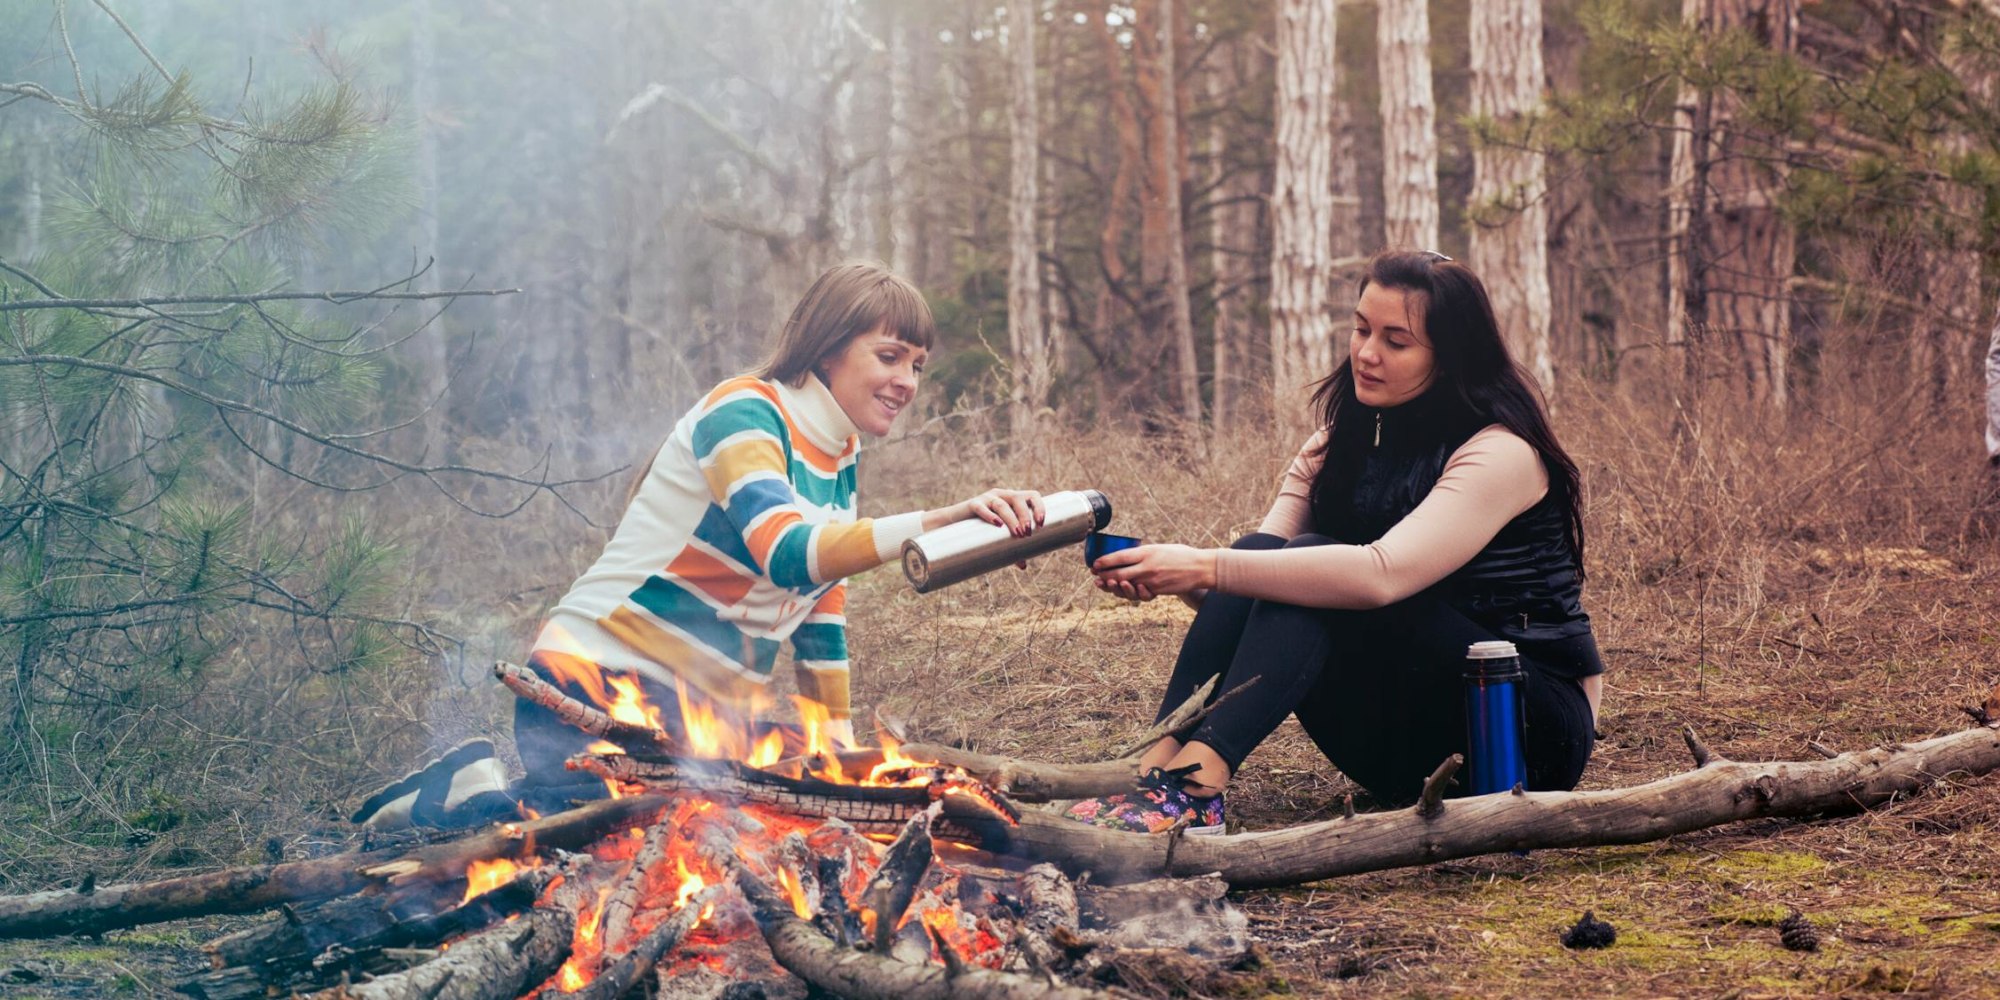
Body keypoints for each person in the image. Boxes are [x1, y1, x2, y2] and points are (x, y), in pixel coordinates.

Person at [353, 262, 1043, 828]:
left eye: (918, 365)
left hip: (699, 720)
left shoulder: (840, 451)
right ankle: (456, 795)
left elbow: (820, 600)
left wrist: (837, 743)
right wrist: (935, 521)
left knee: (765, 824)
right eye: (890, 356)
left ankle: (487, 790)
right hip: (594, 683)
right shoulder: (744, 411)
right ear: (829, 349)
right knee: (600, 839)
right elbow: (789, 553)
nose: (907, 382)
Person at [1064, 250, 1602, 835]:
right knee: (1263, 553)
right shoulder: (1331, 446)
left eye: (1396, 342)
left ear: (1450, 359)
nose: (1366, 353)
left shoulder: (1500, 452)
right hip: (1403, 744)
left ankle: (1197, 790)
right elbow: (1257, 588)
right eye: (1361, 328)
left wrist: (1203, 567)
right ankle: (1146, 775)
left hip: (1521, 733)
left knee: (1297, 565)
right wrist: (1177, 578)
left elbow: (1379, 575)